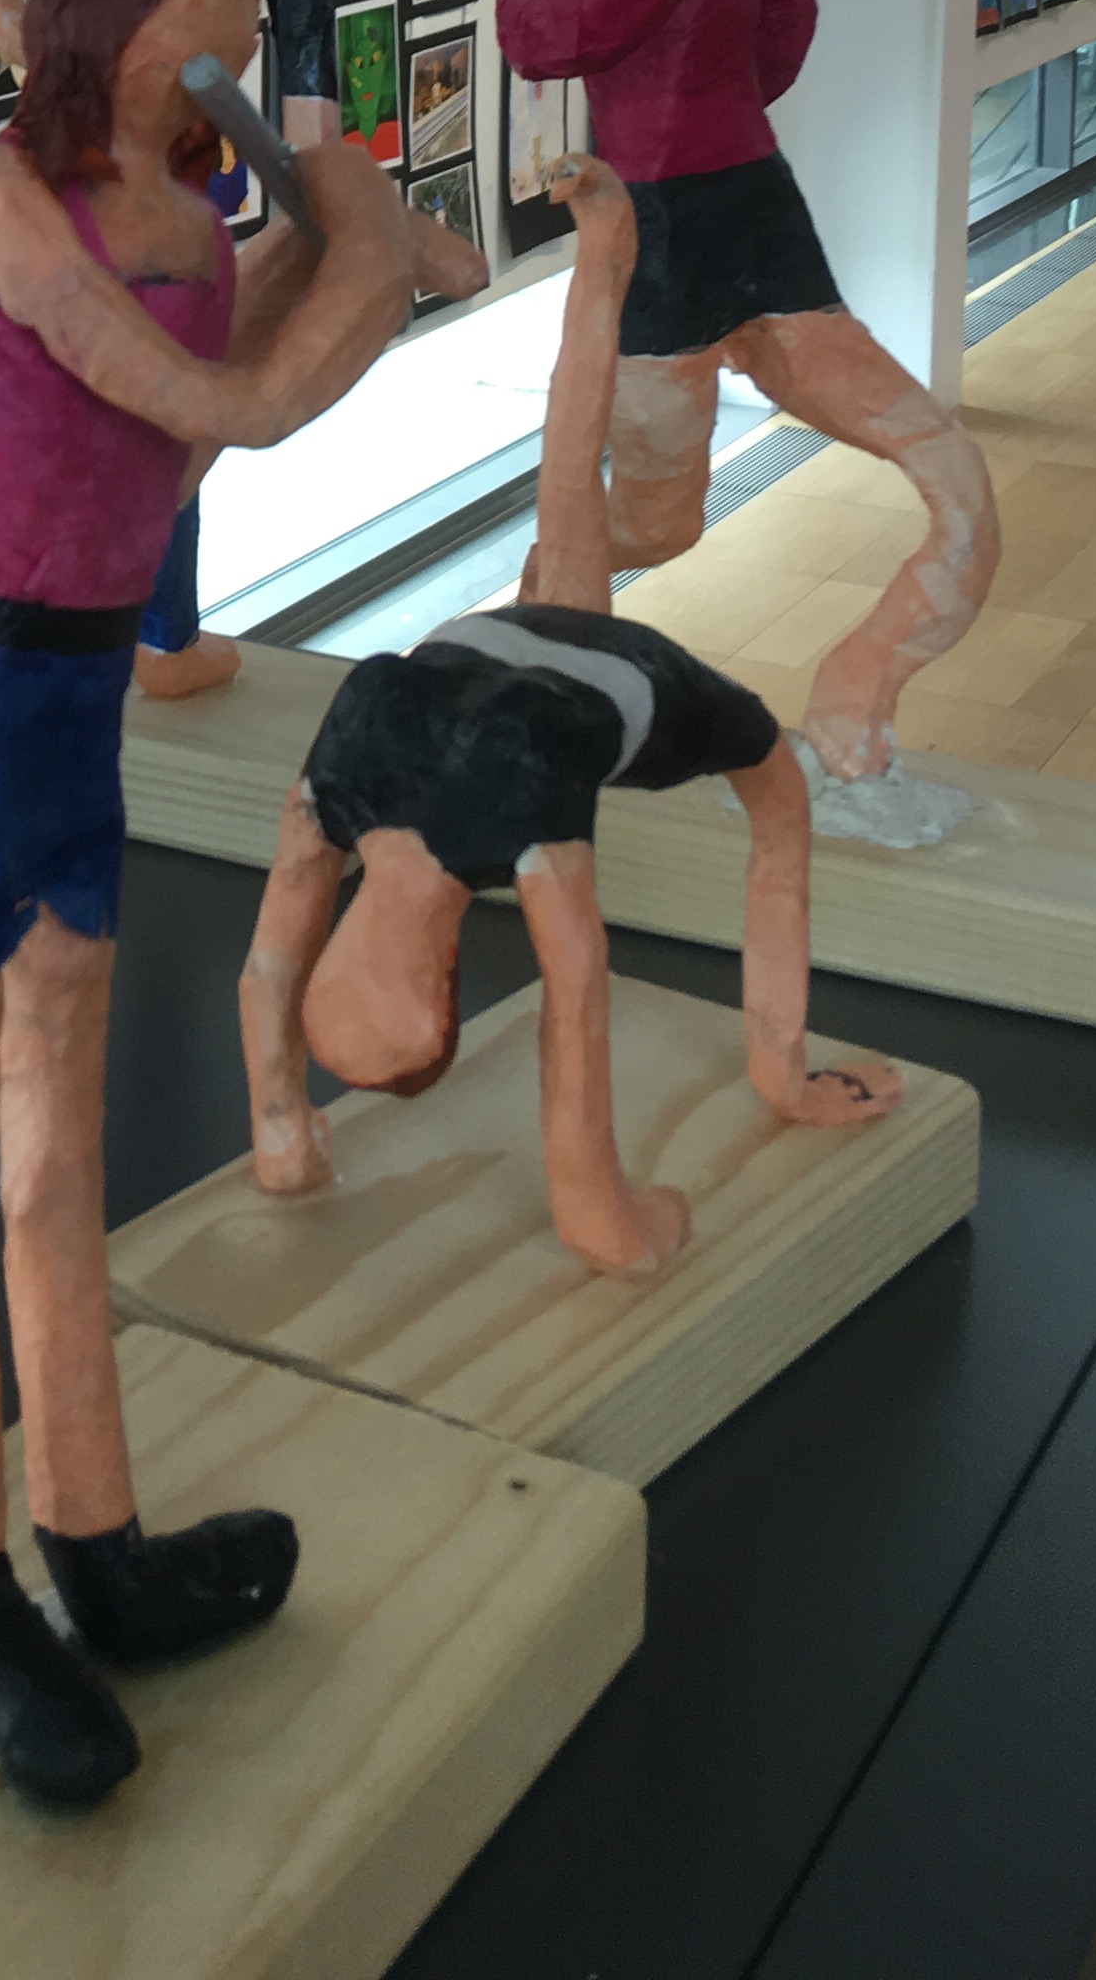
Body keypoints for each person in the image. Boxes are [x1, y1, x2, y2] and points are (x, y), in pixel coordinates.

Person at [0, 0, 429, 1809]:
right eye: (212, 22)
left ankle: (92, 1534)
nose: (233, 57)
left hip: (74, 683)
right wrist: (357, 275)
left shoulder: (178, 214)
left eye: (248, 27)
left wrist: (334, 254)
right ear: (115, 25)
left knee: (57, 1147)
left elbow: (209, 363)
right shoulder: (6, 203)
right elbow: (215, 404)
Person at [235, 151, 900, 1268]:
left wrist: (605, 1223)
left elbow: (573, 1003)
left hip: (631, 688)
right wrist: (278, 1122)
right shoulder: (349, 751)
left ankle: (780, 1072)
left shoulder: (509, 822)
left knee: (780, 798)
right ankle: (606, 247)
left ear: (456, 980)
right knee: (564, 463)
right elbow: (268, 971)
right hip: (493, 649)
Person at [494, 0, 998, 801]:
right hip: (654, 243)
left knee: (957, 480)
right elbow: (535, 35)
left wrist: (711, 105)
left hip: (762, 228)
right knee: (659, 528)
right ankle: (542, 645)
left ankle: (858, 688)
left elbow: (784, 34)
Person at [0, 0, 485, 700]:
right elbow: (310, 123)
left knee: (80, 367)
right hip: (159, 169)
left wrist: (17, 33)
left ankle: (113, 619)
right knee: (165, 378)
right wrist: (338, 219)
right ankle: (157, 634)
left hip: (66, 140)